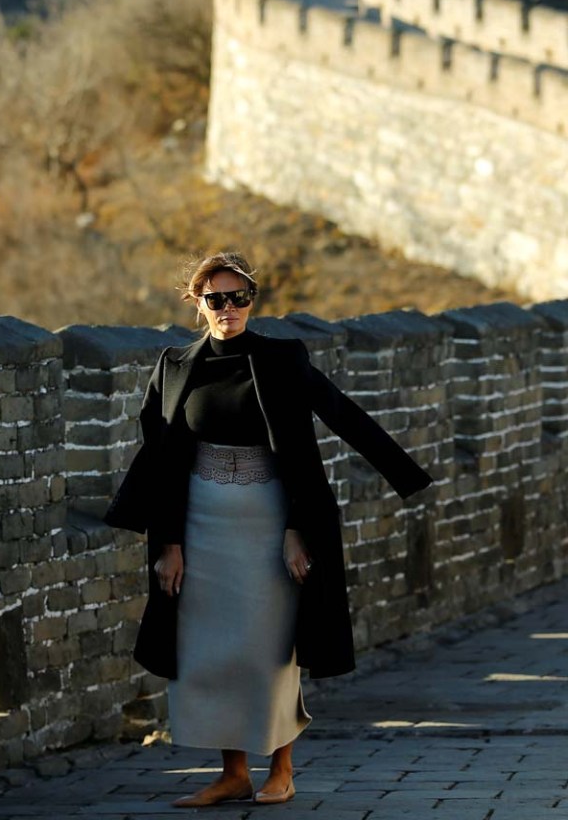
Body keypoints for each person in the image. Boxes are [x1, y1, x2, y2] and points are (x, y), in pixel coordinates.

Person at [104, 251, 432, 807]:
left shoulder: (282, 358)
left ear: (252, 300)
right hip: (201, 520)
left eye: (239, 297)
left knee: (271, 648)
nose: (228, 308)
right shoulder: (175, 365)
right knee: (210, 650)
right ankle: (233, 773)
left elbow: (340, 414)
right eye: (216, 299)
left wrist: (306, 524)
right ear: (198, 303)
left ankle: (281, 767)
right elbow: (157, 459)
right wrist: (167, 544)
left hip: (271, 518)